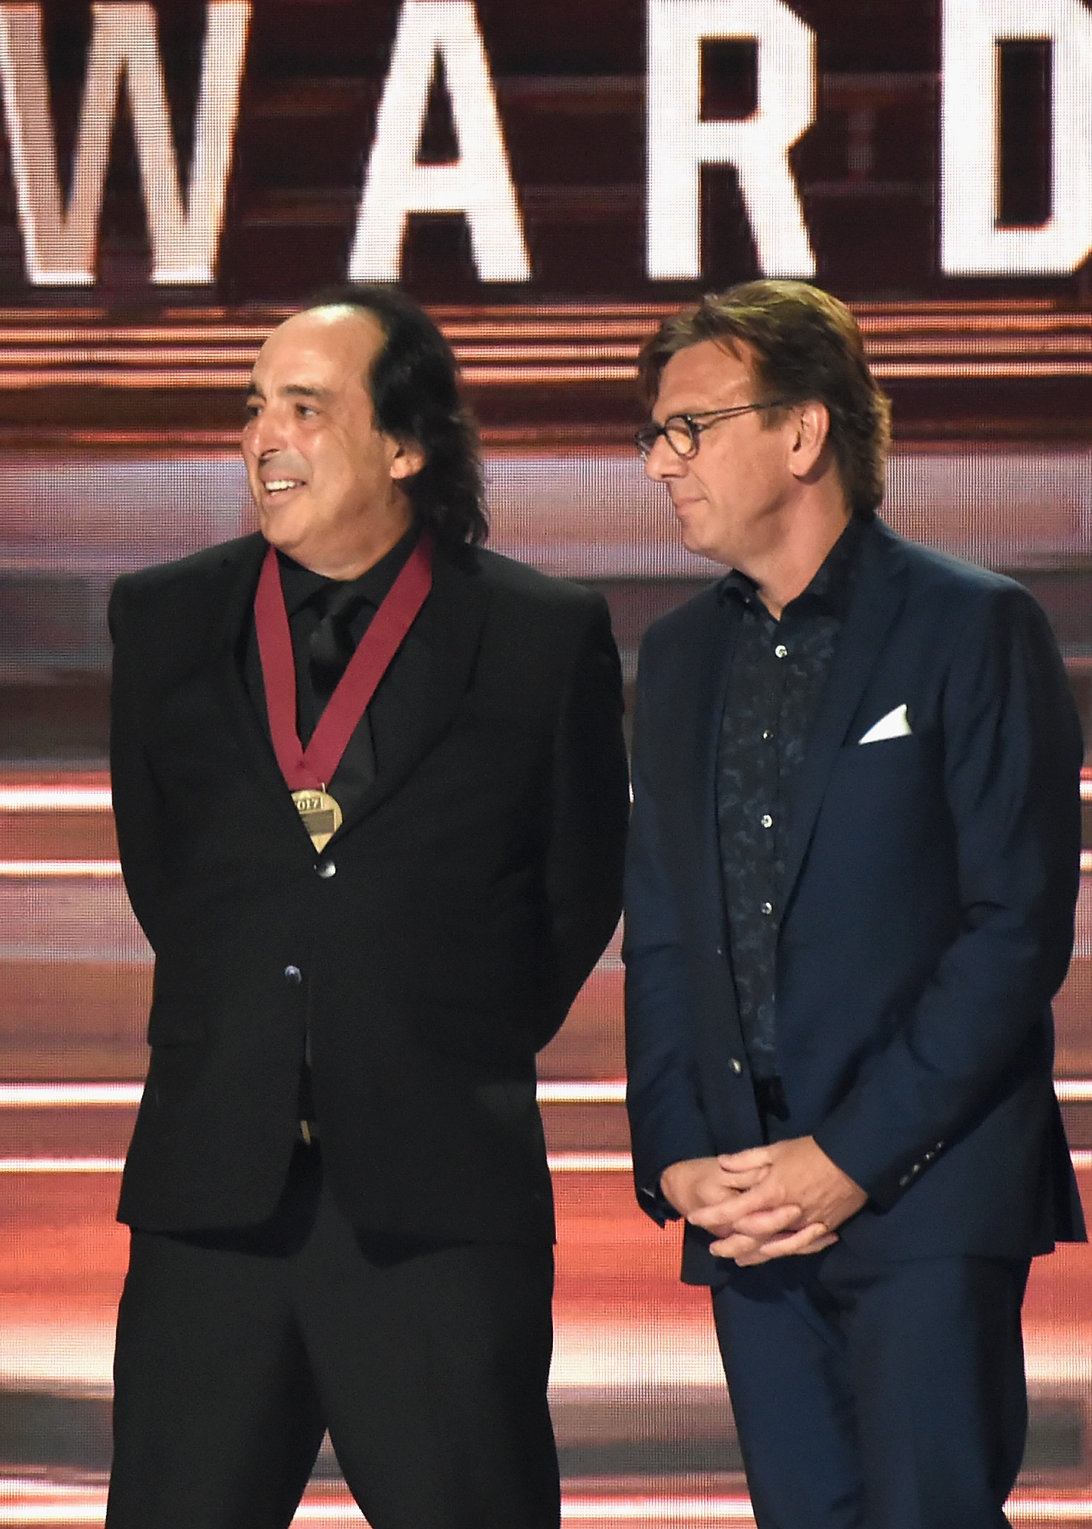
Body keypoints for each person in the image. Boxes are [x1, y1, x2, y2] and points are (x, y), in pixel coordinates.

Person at [102, 286, 629, 1528]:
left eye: (304, 407)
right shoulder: (163, 616)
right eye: (252, 409)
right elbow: (166, 873)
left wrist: (415, 1028)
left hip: (437, 1197)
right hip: (209, 1196)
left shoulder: (541, 634)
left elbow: (573, 890)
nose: (263, 437)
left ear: (405, 444)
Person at [622, 279, 1085, 1529]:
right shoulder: (675, 658)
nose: (663, 464)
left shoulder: (971, 625)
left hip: (923, 1190)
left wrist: (848, 1158)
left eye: (690, 428)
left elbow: (1013, 928)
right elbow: (663, 926)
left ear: (802, 432)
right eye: (654, 435)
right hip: (742, 1202)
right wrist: (673, 1158)